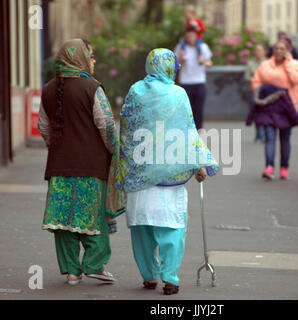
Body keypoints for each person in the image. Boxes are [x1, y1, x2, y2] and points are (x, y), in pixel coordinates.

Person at [116, 48, 219, 296]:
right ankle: (170, 278)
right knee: (171, 229)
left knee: (142, 228)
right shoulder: (178, 94)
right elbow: (187, 131)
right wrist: (199, 164)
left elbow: (127, 130)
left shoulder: (135, 91)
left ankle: (149, 276)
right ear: (170, 67)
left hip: (140, 174)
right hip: (169, 178)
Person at [38, 39, 118, 285]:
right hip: (91, 166)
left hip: (59, 166)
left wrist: (58, 148)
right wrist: (113, 149)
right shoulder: (92, 88)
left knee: (63, 221)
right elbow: (106, 124)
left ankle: (72, 272)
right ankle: (95, 264)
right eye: (90, 56)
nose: (93, 61)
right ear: (80, 59)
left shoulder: (49, 88)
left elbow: (43, 126)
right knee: (91, 217)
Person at [252, 37, 298, 180]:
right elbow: (256, 81)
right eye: (276, 48)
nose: (279, 51)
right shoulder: (265, 65)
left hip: (287, 108)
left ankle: (284, 167)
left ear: (288, 51)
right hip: (268, 107)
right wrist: (261, 92)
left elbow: (295, 80)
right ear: (273, 50)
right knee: (270, 137)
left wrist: (287, 64)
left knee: (285, 139)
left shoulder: (295, 65)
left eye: (282, 49)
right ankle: (269, 167)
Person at [175, 28, 213, 130]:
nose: (190, 38)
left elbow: (209, 63)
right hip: (186, 82)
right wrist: (181, 59)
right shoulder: (181, 48)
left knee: (198, 109)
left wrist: (203, 60)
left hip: (199, 82)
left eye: (192, 36)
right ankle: (187, 130)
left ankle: (198, 130)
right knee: (187, 109)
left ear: (196, 36)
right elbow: (176, 65)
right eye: (187, 37)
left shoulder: (203, 47)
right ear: (185, 37)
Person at [245, 43, 267, 143]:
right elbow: (247, 77)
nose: (258, 52)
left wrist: (256, 77)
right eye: (256, 50)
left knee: (265, 113)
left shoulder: (269, 63)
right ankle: (259, 134)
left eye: (260, 50)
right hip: (254, 91)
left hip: (266, 92)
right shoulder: (250, 63)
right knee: (256, 114)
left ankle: (264, 134)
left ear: (264, 51)